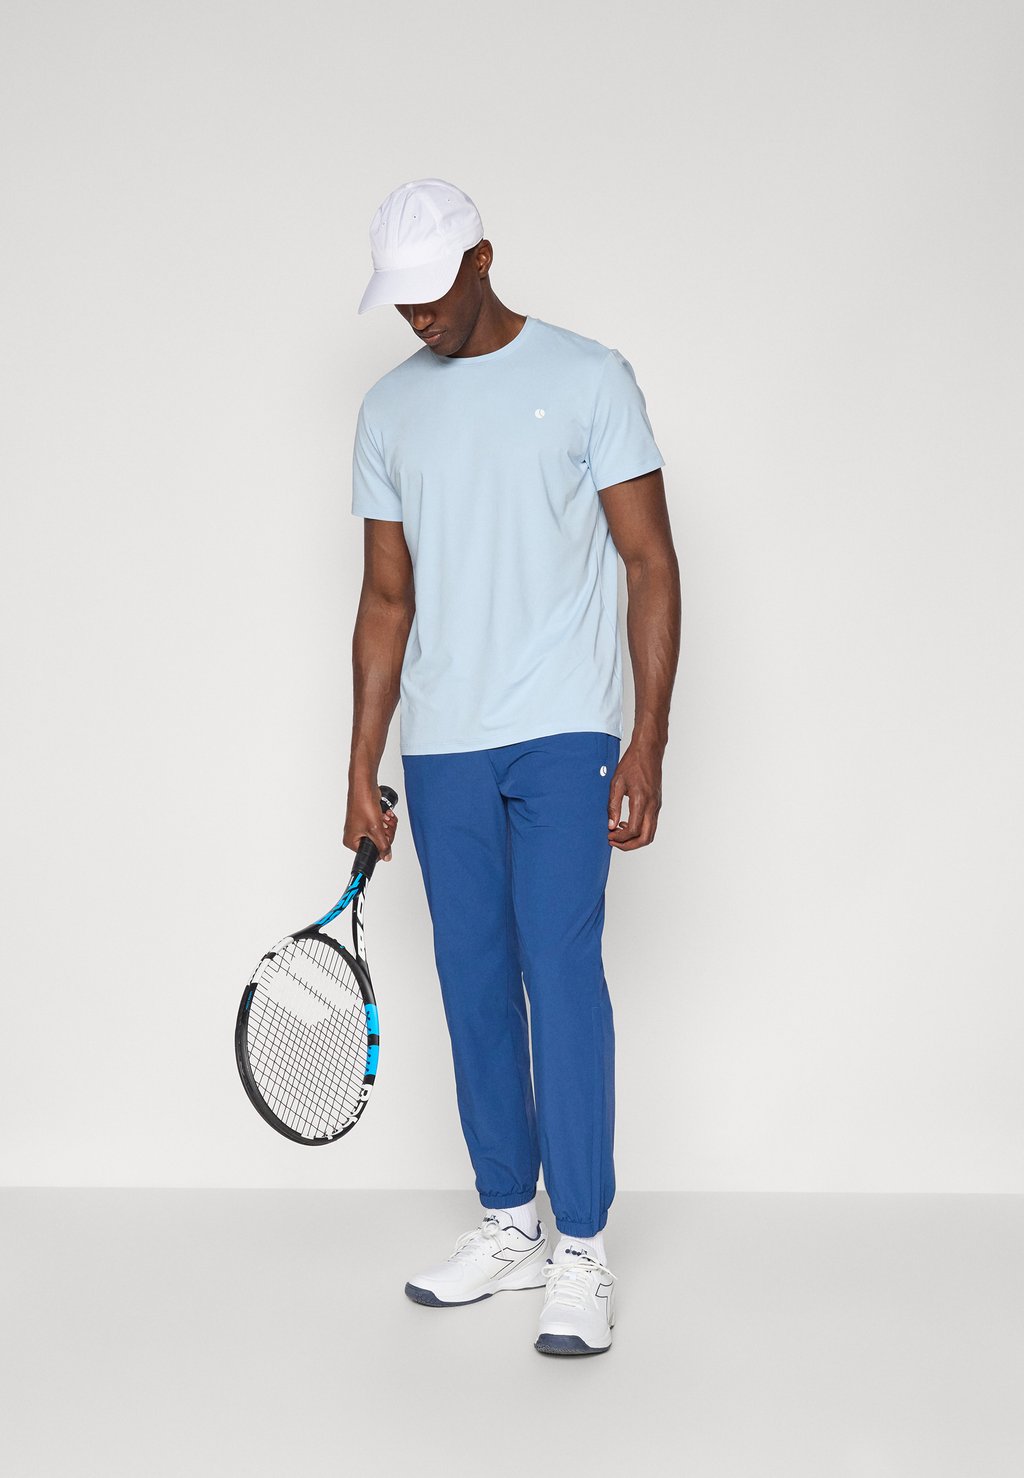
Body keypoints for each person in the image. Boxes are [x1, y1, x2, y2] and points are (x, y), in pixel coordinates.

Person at [344, 178, 680, 1356]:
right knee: (472, 975)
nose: (418, 315)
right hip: (443, 737)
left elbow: (649, 560)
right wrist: (359, 765)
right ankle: (509, 1222)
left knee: (560, 967)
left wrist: (647, 735)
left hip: (564, 726)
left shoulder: (589, 377)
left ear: (483, 259)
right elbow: (386, 597)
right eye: (401, 300)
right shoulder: (388, 409)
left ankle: (581, 1243)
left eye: (433, 291)